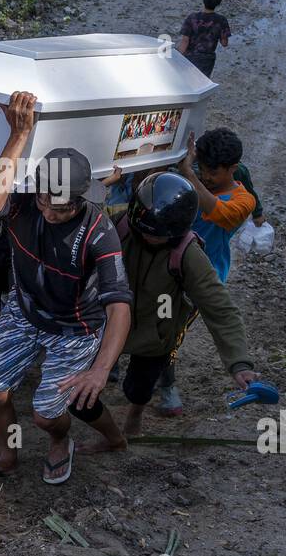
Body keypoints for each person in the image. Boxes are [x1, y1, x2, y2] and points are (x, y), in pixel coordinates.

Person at [0, 95, 133, 484]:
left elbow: (119, 306)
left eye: (62, 208)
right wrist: (19, 131)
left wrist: (101, 371)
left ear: (82, 199)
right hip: (24, 312)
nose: (50, 212)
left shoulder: (99, 232)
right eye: (44, 200)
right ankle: (7, 455)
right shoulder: (26, 201)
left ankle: (62, 441)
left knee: (46, 414)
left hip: (75, 330)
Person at [71, 173, 260, 436]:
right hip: (109, 321)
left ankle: (135, 412)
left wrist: (239, 364)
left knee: (139, 387)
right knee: (82, 379)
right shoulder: (117, 224)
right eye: (146, 232)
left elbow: (219, 307)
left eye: (158, 236)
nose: (150, 239)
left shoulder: (188, 254)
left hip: (157, 330)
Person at [178, 129, 259, 284]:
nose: (206, 176)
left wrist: (189, 174)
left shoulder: (245, 201)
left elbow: (219, 212)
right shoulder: (195, 179)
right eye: (202, 169)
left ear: (233, 169)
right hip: (173, 267)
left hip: (205, 277)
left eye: (213, 173)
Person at [177, 0, 231, 78]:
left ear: (203, 0)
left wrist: (177, 57)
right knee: (201, 82)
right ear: (218, 3)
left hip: (189, 57)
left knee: (185, 79)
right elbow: (224, 43)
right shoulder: (221, 20)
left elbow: (185, 41)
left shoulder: (192, 17)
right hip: (207, 60)